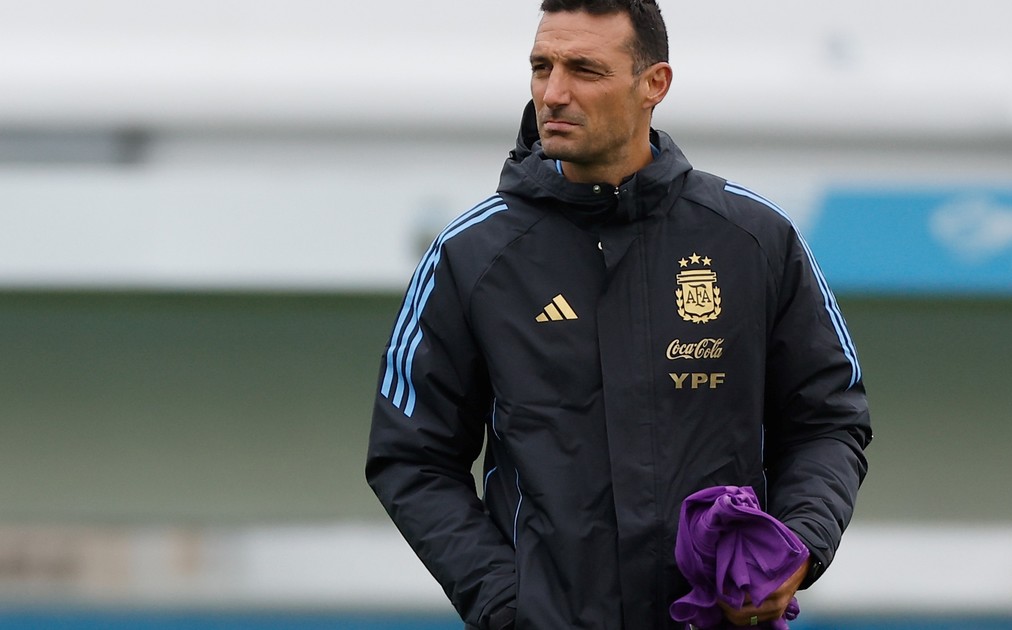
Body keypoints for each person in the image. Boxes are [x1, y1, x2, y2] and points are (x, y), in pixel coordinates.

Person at [366, 1, 872, 628]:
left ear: (653, 84)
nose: (554, 93)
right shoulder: (471, 255)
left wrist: (798, 544)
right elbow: (411, 455)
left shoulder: (754, 239)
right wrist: (509, 603)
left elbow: (828, 419)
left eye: (585, 70)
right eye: (542, 67)